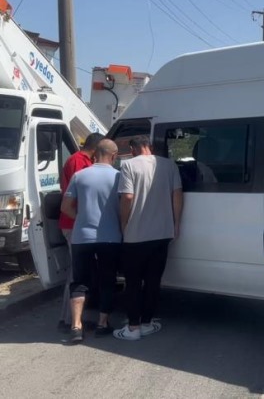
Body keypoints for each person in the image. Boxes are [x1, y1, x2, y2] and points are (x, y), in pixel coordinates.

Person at [113, 136, 183, 341]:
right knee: (153, 281)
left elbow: (127, 197)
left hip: (135, 235)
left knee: (133, 282)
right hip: (162, 233)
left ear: (133, 149)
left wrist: (123, 224)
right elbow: (177, 195)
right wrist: (176, 224)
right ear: (149, 147)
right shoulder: (169, 165)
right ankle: (147, 323)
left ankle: (133, 328)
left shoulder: (128, 165)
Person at [59, 139, 121, 343]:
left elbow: (65, 207)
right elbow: (125, 205)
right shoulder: (119, 177)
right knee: (107, 280)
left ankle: (77, 326)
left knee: (79, 282)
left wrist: (82, 218)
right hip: (110, 237)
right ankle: (103, 323)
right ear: (113, 155)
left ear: (95, 154)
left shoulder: (80, 175)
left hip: (81, 237)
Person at [57, 132, 104, 332]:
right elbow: (82, 194)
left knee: (84, 270)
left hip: (80, 223)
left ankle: (77, 317)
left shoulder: (82, 160)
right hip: (74, 222)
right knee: (77, 272)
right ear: (98, 148)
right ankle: (68, 320)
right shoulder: (78, 161)